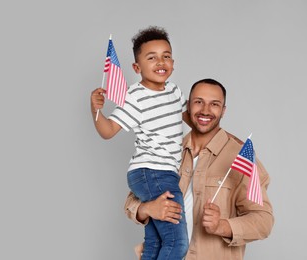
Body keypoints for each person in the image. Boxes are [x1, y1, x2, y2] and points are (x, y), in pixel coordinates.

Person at [124, 78, 274, 260]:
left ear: (223, 111)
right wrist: (147, 209)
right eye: (198, 102)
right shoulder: (167, 148)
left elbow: (263, 221)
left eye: (214, 104)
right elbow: (131, 201)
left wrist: (222, 226)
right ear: (188, 106)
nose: (205, 110)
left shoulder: (241, 157)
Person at [90, 26, 189, 260]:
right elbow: (108, 131)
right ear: (137, 67)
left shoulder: (174, 91)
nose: (160, 62)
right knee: (177, 243)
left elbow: (190, 121)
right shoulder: (135, 96)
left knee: (155, 243)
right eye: (151, 57)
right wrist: (96, 110)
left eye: (166, 56)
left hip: (165, 173)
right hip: (152, 171)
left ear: (173, 62)